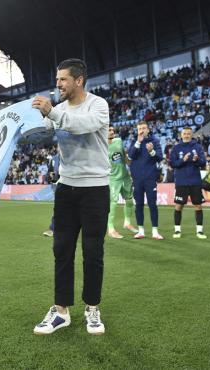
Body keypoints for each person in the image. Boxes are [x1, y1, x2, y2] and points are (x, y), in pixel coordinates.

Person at [31, 58, 110, 335]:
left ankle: (92, 309)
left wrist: (52, 113)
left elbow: (81, 125)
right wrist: (5, 124)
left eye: (63, 79)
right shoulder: (58, 110)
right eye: (57, 79)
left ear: (79, 80)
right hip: (66, 188)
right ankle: (61, 311)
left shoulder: (98, 105)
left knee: (93, 252)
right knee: (61, 250)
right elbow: (37, 136)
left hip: (95, 189)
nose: (58, 84)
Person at [169, 127, 207, 239]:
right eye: (184, 133)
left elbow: (203, 162)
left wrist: (197, 160)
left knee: (198, 206)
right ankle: (177, 230)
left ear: (191, 135)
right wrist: (183, 160)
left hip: (195, 181)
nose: (186, 135)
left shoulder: (197, 147)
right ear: (181, 135)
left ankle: (199, 231)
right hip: (181, 182)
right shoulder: (176, 148)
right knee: (178, 206)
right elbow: (172, 164)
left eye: (188, 133)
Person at [128, 121, 164, 240]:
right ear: (137, 131)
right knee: (138, 205)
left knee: (152, 205)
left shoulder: (154, 141)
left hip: (150, 178)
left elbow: (159, 157)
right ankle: (141, 231)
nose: (142, 130)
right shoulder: (134, 142)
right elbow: (131, 156)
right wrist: (138, 142)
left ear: (148, 129)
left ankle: (155, 232)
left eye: (144, 128)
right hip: (137, 179)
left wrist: (151, 151)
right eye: (139, 129)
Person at [107, 126, 137, 239]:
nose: (112, 132)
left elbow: (123, 154)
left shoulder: (118, 141)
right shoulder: (101, 146)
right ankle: (111, 229)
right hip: (113, 178)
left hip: (125, 176)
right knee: (113, 203)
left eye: (112, 130)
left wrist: (129, 163)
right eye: (109, 130)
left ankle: (127, 223)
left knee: (129, 200)